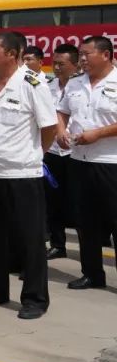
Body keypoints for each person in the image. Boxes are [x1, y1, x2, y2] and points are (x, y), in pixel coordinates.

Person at [0, 32, 57, 320]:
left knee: (29, 239)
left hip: (22, 173)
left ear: (12, 53)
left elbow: (49, 127)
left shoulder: (32, 84)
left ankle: (35, 298)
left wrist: (34, 155)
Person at [57, 36, 117, 289]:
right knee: (86, 221)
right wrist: (60, 131)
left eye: (86, 54)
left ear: (105, 55)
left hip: (111, 163)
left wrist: (98, 134)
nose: (81, 59)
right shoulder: (75, 83)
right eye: (80, 54)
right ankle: (92, 273)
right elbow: (62, 111)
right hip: (79, 160)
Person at [43, 44, 79, 259]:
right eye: (54, 63)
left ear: (74, 65)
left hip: (77, 152)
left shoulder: (81, 86)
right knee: (52, 201)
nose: (56, 68)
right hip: (54, 152)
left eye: (61, 64)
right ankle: (58, 244)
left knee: (78, 201)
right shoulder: (47, 87)